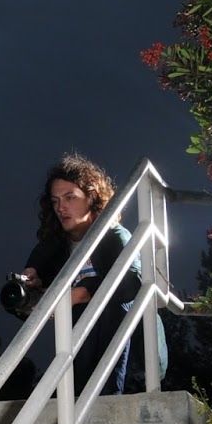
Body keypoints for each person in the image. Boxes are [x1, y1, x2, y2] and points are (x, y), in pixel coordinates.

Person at [16, 153, 166, 395]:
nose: (61, 208)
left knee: (103, 300)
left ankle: (101, 396)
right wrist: (31, 287)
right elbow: (31, 307)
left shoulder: (114, 236)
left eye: (70, 197)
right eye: (55, 201)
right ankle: (71, 395)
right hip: (76, 341)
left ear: (92, 197)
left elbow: (132, 284)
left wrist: (83, 292)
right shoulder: (52, 248)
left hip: (121, 331)